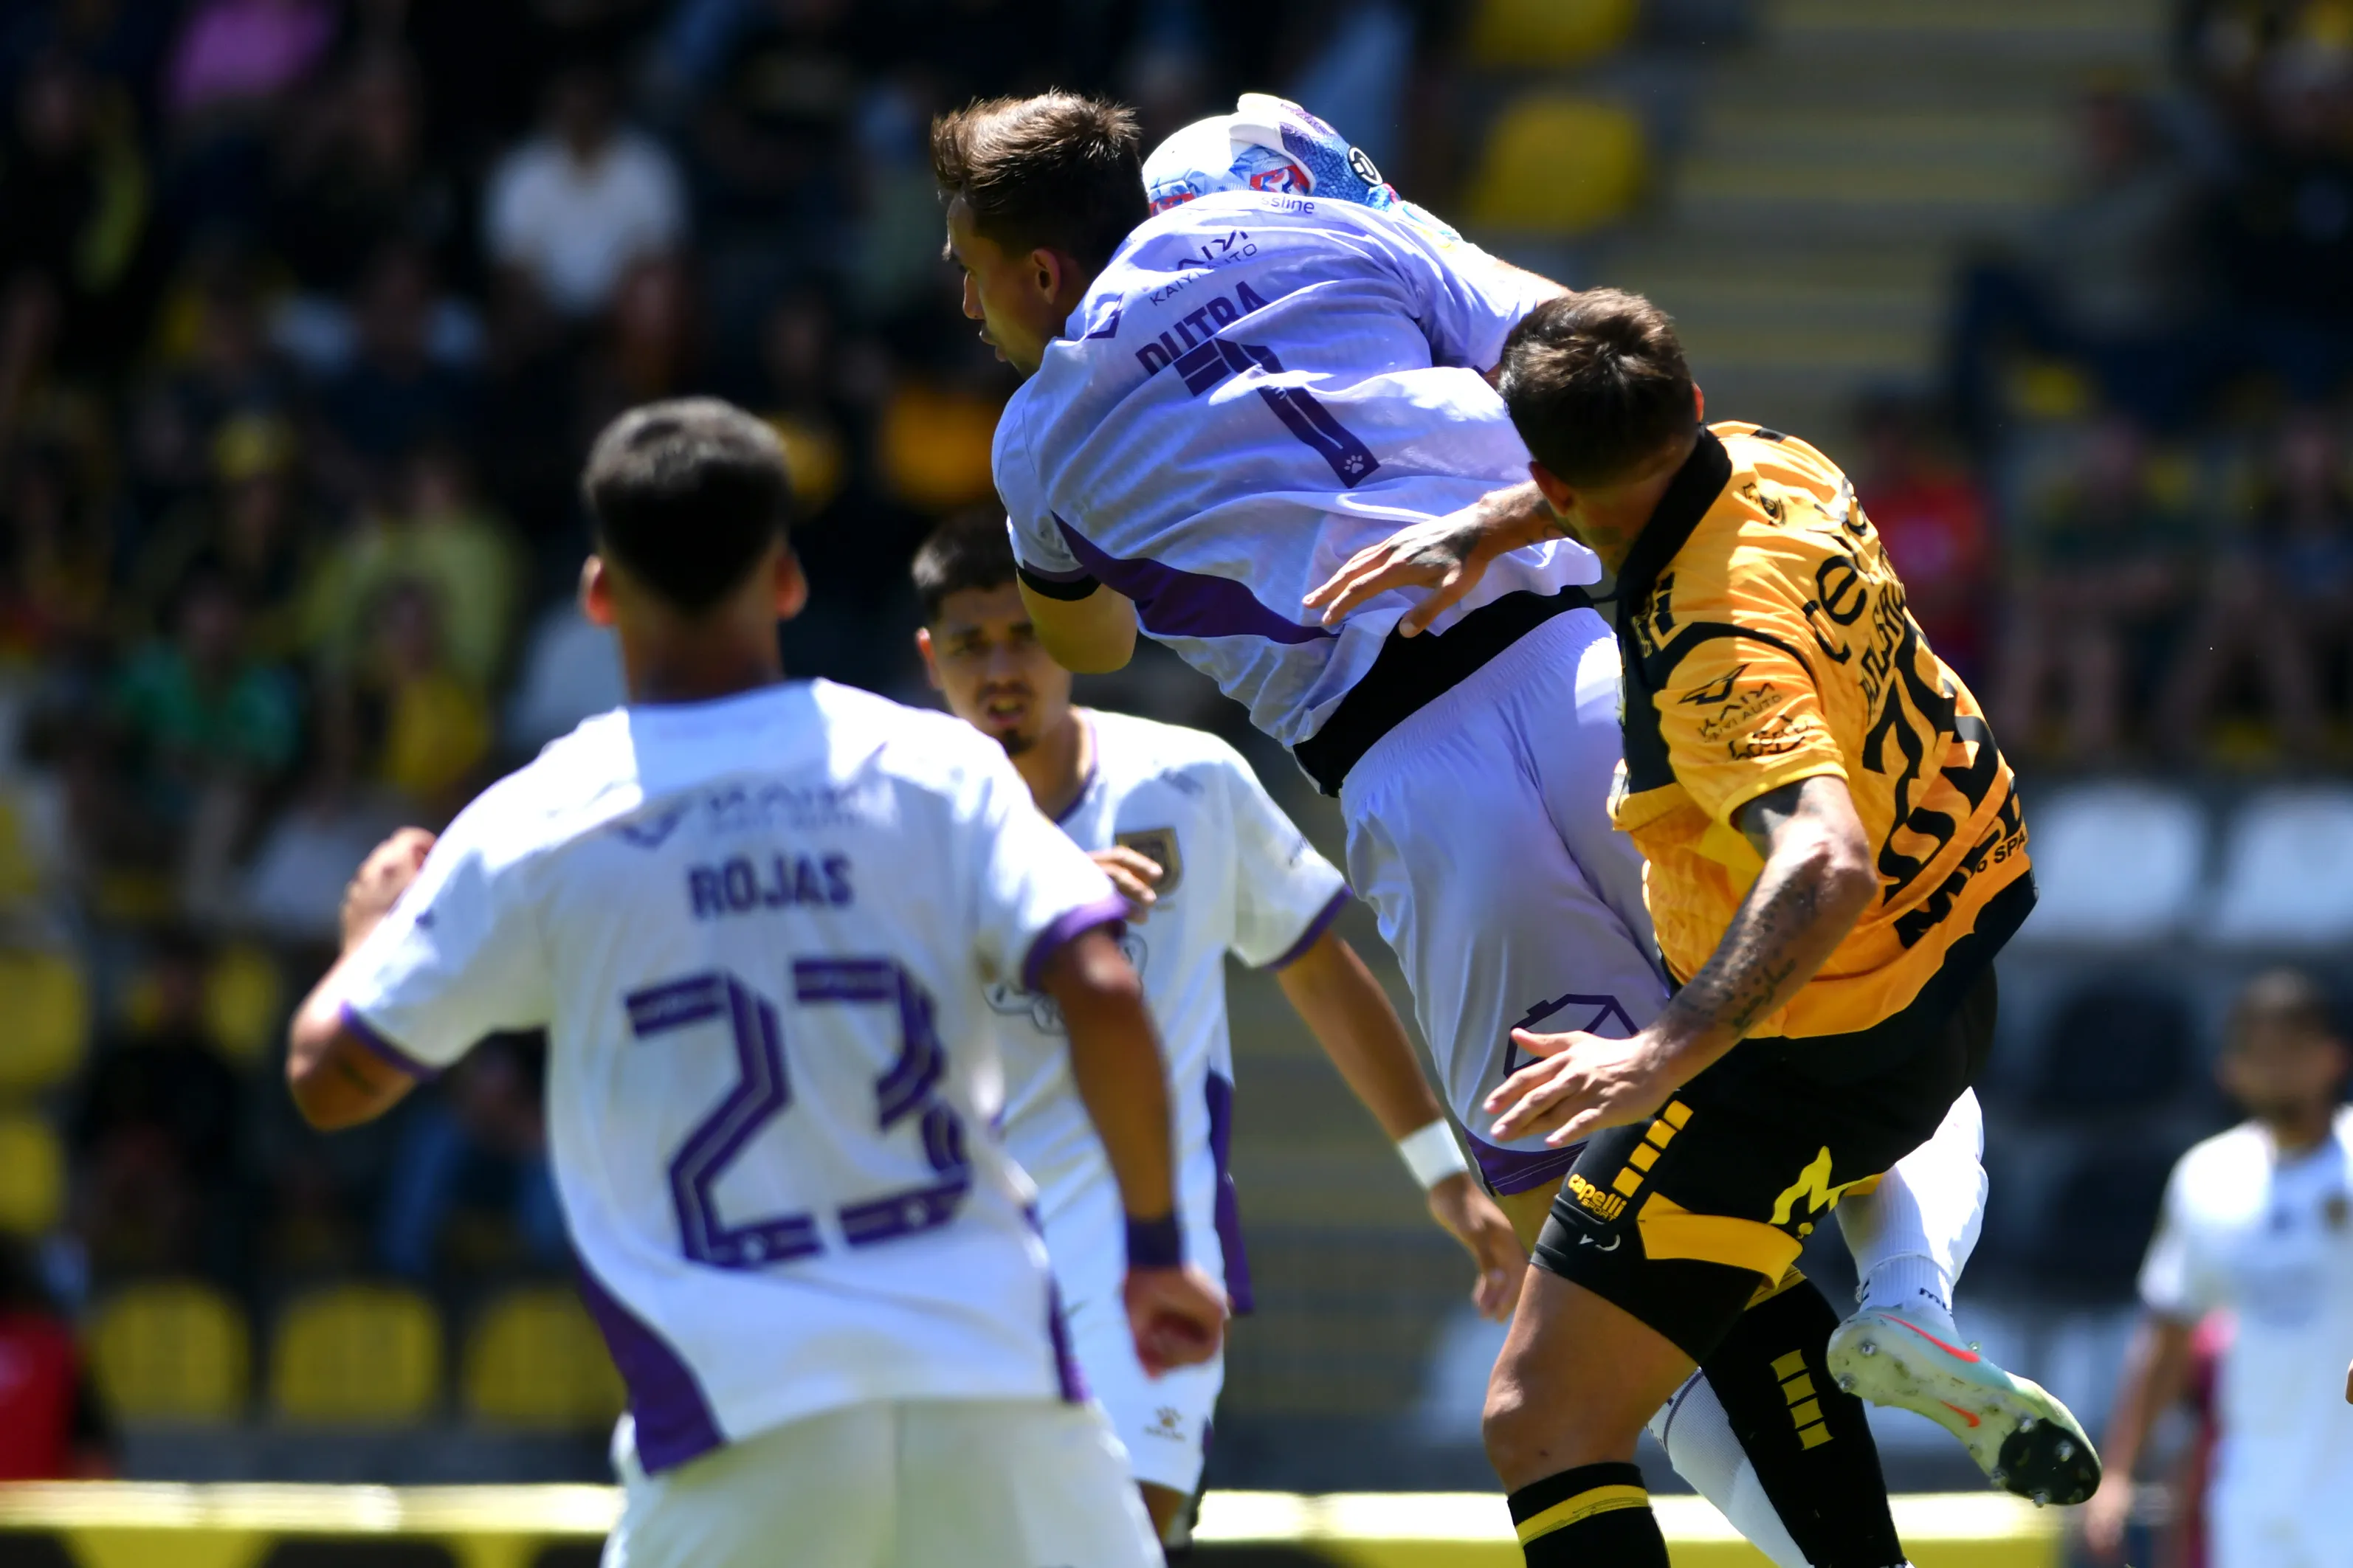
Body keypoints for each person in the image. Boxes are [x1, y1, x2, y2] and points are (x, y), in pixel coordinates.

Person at [933, 89, 2083, 1565]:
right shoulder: (1317, 221)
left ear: (1038, 273)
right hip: (1595, 675)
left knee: (1626, 1270)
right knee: (1835, 1042)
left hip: (1411, 782)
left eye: (967, 264)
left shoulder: (1035, 440)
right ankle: (1908, 1296)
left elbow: (1081, 647)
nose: (960, 300)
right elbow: (1590, 370)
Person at [283, 397, 1223, 1568]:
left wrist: (370, 936)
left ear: (597, 593)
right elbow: (1101, 984)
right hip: (997, 1386)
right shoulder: (933, 766)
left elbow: (332, 1079)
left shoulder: (542, 820)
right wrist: (1153, 1250)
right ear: (787, 580)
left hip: (744, 1419)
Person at [1316, 290, 2088, 1564]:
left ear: (1552, 473)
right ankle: (1907, 1306)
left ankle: (1900, 1302)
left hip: (1789, 1067)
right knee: (1871, 1179)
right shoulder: (1785, 463)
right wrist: (1488, 525)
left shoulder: (1711, 654)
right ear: (1685, 400)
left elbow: (1822, 861)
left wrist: (1660, 1051)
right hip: (1951, 980)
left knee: (1540, 1419)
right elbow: (1656, 485)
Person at [911, 508, 1523, 1544]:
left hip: (1146, 1250)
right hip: (953, 1258)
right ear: (932, 660)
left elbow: (1323, 975)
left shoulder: (1189, 781)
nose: (1001, 668)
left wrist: (1447, 1176)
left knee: (1125, 1536)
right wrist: (1027, 906)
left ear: (1068, 635)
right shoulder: (897, 811)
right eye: (972, 645)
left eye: (1023, 634)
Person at [2084, 969, 2353, 1568]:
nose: (2274, 1067)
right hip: (2253, 1490)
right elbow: (2168, 1332)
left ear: (2333, 1057)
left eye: (2290, 1050)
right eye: (2257, 1052)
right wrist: (2121, 1472)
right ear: (2227, 1068)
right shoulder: (2208, 1175)